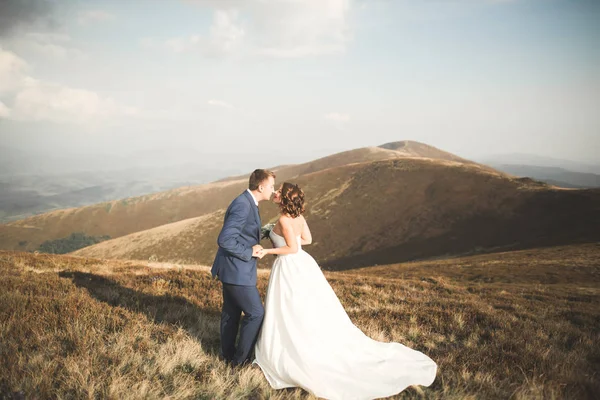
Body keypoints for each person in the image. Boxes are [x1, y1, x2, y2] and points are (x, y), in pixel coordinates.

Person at [253, 182, 437, 400]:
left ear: (283, 199)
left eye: (279, 191)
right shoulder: (299, 218)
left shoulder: (284, 219)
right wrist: (284, 239)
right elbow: (307, 240)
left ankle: (291, 347)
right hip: (304, 265)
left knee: (290, 308)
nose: (274, 193)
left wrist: (268, 250)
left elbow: (292, 248)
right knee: (305, 308)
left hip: (289, 266)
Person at [211, 169, 275, 367]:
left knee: (231, 314)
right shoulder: (243, 205)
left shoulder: (248, 202)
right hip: (237, 271)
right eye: (271, 186)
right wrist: (250, 251)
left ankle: (228, 356)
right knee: (256, 313)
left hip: (231, 270)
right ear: (261, 186)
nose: (273, 191)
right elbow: (225, 239)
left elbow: (244, 232)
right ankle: (241, 361)